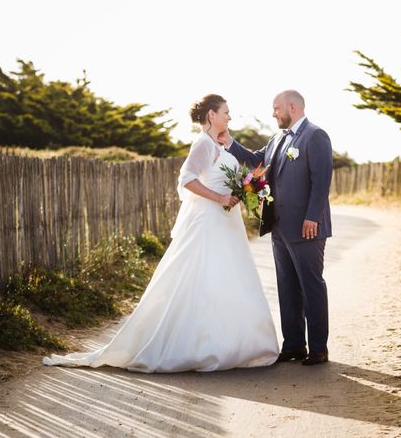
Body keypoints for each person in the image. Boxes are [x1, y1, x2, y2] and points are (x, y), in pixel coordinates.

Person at [43, 94, 279, 372]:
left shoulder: (219, 144)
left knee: (227, 278)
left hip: (225, 223)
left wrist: (241, 191)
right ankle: (201, 346)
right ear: (211, 116)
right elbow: (187, 179)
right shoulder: (203, 143)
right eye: (226, 112)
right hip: (209, 221)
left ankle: (231, 343)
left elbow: (229, 173)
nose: (229, 116)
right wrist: (219, 198)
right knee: (203, 278)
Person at [221, 90, 333, 366]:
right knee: (287, 287)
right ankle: (294, 344)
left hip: (307, 227)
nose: (273, 113)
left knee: (311, 286)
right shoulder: (277, 139)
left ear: (292, 108)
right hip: (279, 227)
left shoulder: (315, 136)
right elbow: (258, 161)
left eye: (276, 108)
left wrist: (313, 218)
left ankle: (319, 348)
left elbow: (322, 181)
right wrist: (230, 142)